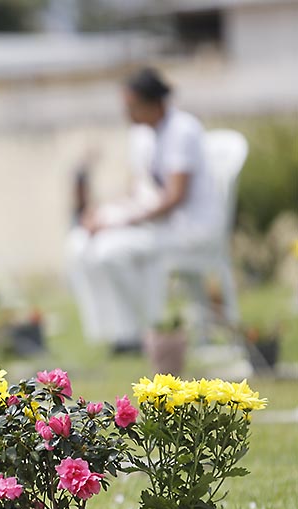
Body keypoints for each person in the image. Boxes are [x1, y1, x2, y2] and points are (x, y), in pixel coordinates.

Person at [67, 67, 220, 353]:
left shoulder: (182, 130)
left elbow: (174, 197)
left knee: (111, 251)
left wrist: (120, 222)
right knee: (78, 243)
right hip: (161, 225)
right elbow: (140, 191)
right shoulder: (145, 135)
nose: (127, 113)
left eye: (131, 106)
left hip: (189, 229)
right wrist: (103, 214)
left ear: (153, 103)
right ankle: (116, 332)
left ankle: (142, 330)